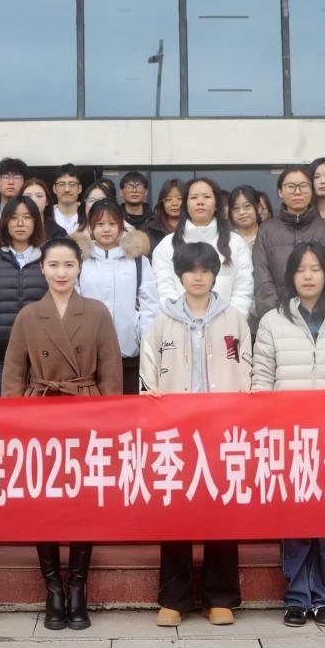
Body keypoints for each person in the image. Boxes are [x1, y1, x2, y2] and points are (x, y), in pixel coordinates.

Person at [3, 237, 123, 631]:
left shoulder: (97, 312)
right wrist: (16, 423)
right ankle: (53, 587)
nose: (60, 272)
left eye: (68, 265)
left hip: (85, 412)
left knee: (82, 501)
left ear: (79, 268)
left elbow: (111, 375)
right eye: (53, 265)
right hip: (39, 414)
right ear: (41, 268)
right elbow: (13, 376)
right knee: (45, 502)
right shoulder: (28, 315)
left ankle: (77, 587)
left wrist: (108, 422)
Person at [252, 243, 325, 628]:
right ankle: (297, 596)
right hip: (290, 437)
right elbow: (261, 380)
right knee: (296, 519)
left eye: (315, 268)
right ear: (290, 276)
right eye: (301, 269)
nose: (308, 276)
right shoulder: (272, 321)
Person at [141, 241, 252, 627]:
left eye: (206, 270)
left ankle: (220, 597)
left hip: (223, 429)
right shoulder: (163, 321)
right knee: (176, 509)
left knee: (222, 509)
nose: (198, 277)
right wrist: (149, 395)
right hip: (176, 431)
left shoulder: (233, 319)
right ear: (180, 275)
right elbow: (149, 369)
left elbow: (247, 367)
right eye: (191, 270)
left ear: (215, 275)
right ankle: (175, 598)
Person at [74, 199, 160, 394]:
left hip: (129, 350)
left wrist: (145, 342)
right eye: (100, 224)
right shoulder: (79, 260)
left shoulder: (137, 260)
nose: (106, 229)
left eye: (112, 224)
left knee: (129, 407)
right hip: (88, 353)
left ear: (121, 226)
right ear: (91, 227)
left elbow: (150, 306)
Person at [0, 197, 48, 395]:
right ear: (5, 222)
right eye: (14, 218)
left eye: (27, 217)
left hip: (40, 359)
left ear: (36, 222)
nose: (20, 223)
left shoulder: (48, 261)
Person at [252, 166, 325, 321]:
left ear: (311, 190)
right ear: (280, 192)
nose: (297, 192)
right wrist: (274, 318)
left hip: (322, 319)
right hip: (278, 319)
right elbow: (262, 278)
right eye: (291, 186)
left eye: (303, 186)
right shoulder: (266, 230)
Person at [152, 177, 253, 318]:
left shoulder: (236, 243)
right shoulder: (166, 245)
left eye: (206, 197)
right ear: (186, 205)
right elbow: (164, 289)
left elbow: (243, 288)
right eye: (194, 197)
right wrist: (184, 320)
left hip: (227, 325)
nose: (200, 202)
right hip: (180, 323)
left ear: (216, 204)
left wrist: (231, 321)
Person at [0, 156, 30, 225]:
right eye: (5, 177)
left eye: (16, 177)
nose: (11, 182)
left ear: (24, 182)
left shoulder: (31, 217)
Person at [145, 178, 183, 253]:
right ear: (162, 202)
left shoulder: (196, 226)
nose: (174, 203)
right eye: (168, 199)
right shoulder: (150, 229)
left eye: (179, 198)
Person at [52, 163, 84, 235]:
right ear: (54, 188)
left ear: (80, 188)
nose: (67, 189)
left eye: (72, 184)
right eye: (62, 184)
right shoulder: (47, 216)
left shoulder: (88, 215)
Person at [228, 185, 263, 250]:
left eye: (247, 206)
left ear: (258, 208)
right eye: (236, 208)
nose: (242, 212)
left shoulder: (269, 238)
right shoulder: (227, 242)